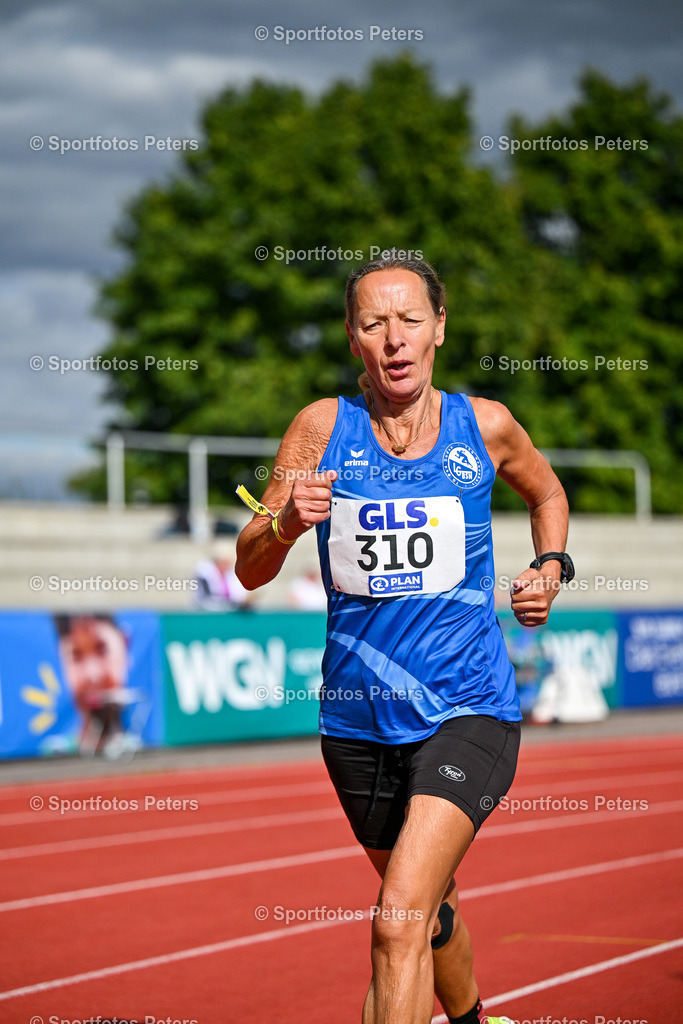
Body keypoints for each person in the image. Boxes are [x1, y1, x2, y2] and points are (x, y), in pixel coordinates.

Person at [235, 256, 572, 1024]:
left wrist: (549, 566)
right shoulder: (321, 428)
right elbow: (250, 567)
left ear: (439, 330)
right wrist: (287, 521)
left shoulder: (482, 424)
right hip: (356, 721)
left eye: (409, 320)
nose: (393, 340)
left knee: (397, 922)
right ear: (353, 339)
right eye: (373, 323)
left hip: (468, 706)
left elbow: (546, 490)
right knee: (430, 906)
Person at [54, 613, 140, 758]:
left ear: (123, 645)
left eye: (101, 650)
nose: (93, 674)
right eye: (76, 655)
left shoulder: (133, 741)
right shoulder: (54, 749)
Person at [194, 541, 252, 610]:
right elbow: (210, 597)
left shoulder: (230, 573)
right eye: (225, 562)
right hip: (207, 610)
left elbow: (238, 592)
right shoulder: (205, 571)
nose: (227, 565)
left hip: (229, 610)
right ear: (218, 561)